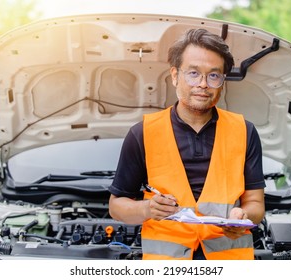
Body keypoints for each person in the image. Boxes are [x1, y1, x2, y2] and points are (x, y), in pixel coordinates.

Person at [108, 28, 265, 260]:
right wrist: (147, 209)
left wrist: (244, 217)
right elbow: (116, 206)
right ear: (174, 76)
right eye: (193, 73)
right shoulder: (142, 133)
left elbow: (255, 203)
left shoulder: (245, 131)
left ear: (222, 80)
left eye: (214, 75)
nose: (203, 84)